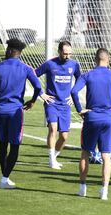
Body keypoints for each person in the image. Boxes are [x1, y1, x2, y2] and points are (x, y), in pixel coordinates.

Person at [71, 48, 111, 200]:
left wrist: (80, 109)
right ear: (109, 60)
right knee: (106, 156)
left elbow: (74, 92)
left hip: (91, 118)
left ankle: (82, 187)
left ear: (95, 59)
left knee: (85, 153)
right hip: (108, 118)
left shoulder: (87, 75)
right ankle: (104, 191)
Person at [0, 38, 54, 189]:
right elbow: (38, 87)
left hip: (1, 109)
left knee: (3, 143)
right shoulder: (25, 68)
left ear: (10, 51)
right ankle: (4, 178)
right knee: (15, 145)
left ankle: (4, 177)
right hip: (16, 112)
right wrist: (32, 101)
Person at [36, 41, 81, 170]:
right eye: (65, 53)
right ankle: (51, 160)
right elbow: (33, 75)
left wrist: (74, 95)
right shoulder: (50, 64)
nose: (67, 56)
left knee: (64, 137)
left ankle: (54, 157)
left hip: (65, 105)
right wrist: (41, 93)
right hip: (52, 103)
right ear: (59, 51)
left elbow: (80, 79)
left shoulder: (74, 65)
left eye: (69, 54)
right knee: (53, 129)